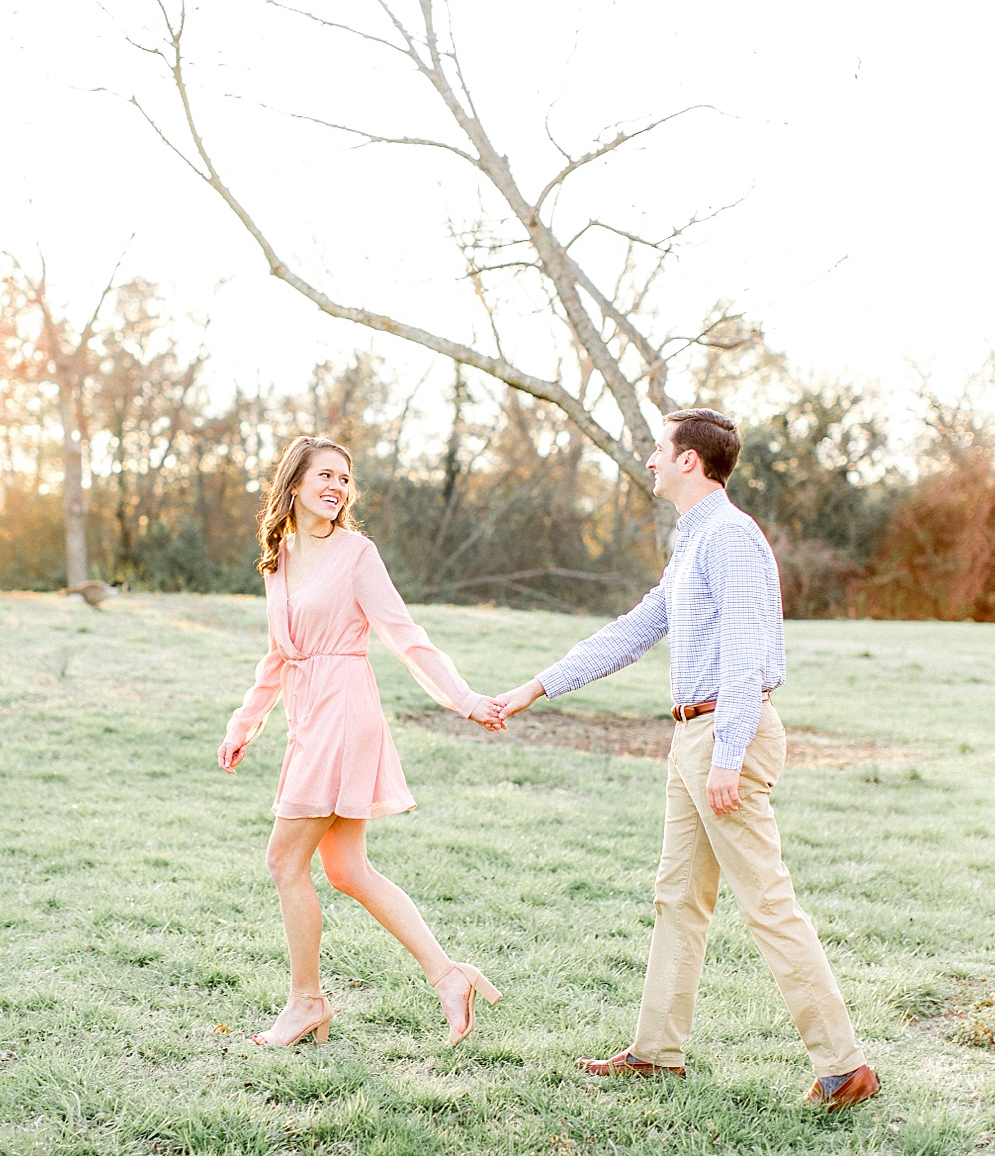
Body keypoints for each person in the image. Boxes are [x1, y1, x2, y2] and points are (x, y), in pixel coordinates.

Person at [494, 408, 879, 1112]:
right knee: (677, 898)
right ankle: (656, 1052)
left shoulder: (729, 538)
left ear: (689, 461)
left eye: (658, 449)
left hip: (725, 735)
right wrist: (535, 688)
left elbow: (745, 651)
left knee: (767, 901)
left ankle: (844, 1067)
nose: (649, 460)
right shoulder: (694, 540)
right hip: (693, 737)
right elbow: (634, 630)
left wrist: (727, 755)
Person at [220, 434, 507, 1049]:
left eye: (345, 479)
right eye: (325, 475)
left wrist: (464, 699)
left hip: (344, 712)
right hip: (307, 713)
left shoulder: (357, 553)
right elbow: (278, 654)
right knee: (347, 869)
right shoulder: (280, 556)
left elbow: (406, 635)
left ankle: (306, 1003)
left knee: (284, 861)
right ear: (295, 482)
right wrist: (244, 722)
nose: (337, 487)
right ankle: (448, 974)